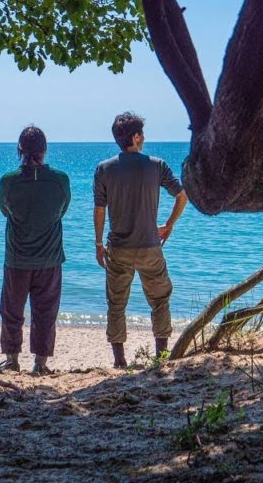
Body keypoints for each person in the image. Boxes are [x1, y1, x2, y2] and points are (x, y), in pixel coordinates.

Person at [93, 112, 188, 369]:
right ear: (136, 137)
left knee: (116, 304)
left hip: (118, 248)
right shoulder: (157, 165)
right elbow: (182, 196)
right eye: (142, 134)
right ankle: (161, 355)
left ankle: (119, 360)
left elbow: (100, 209)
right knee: (160, 301)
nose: (144, 138)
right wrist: (169, 225)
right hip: (150, 247)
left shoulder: (104, 169)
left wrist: (98, 244)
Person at [0, 126, 71, 375]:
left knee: (11, 311)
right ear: (45, 149)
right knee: (45, 312)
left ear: (20, 149)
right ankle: (40, 363)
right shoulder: (60, 180)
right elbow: (62, 210)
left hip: (17, 257)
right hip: (50, 258)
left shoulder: (9, 180)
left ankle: (12, 359)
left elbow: (5, 210)